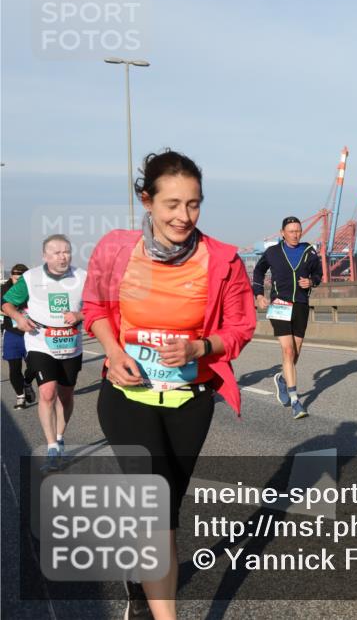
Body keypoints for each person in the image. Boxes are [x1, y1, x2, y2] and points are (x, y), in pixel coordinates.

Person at [83, 149, 256, 620]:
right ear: (147, 201)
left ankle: (140, 580)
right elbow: (95, 309)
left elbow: (242, 327)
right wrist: (115, 354)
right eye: (172, 204)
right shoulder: (115, 249)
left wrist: (201, 348)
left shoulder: (222, 260)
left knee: (164, 512)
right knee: (157, 511)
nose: (184, 216)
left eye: (194, 204)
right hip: (126, 397)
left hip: (190, 401)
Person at [2, 238, 86, 469]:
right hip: (40, 342)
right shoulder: (31, 278)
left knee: (66, 396)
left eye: (66, 252)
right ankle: (51, 447)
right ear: (44, 256)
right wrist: (19, 318)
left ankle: (60, 438)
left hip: (71, 345)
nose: (62, 256)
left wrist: (79, 316)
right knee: (48, 393)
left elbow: (97, 305)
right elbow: (6, 303)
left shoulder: (83, 277)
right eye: (56, 252)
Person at [252, 216, 323, 419]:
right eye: (291, 231)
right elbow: (258, 271)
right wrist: (258, 295)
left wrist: (311, 281)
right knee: (288, 349)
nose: (295, 234)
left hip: (301, 305)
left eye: (298, 231)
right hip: (279, 305)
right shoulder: (273, 252)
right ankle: (295, 401)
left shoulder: (309, 251)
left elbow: (318, 274)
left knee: (295, 353)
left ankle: (282, 379)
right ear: (282, 232)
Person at [2, 264, 36, 409]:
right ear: (11, 277)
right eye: (17, 279)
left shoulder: (33, 288)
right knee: (14, 368)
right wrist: (13, 311)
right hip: (12, 332)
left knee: (34, 366)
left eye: (23, 279)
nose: (19, 282)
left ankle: (27, 383)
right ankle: (20, 397)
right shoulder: (4, 289)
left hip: (32, 333)